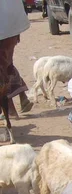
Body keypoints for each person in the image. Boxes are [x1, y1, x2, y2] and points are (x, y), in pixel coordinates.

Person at [0, 0, 34, 131]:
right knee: (7, 66)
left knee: (4, 69)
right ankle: (16, 103)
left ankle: (9, 112)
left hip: (8, 27)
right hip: (11, 27)